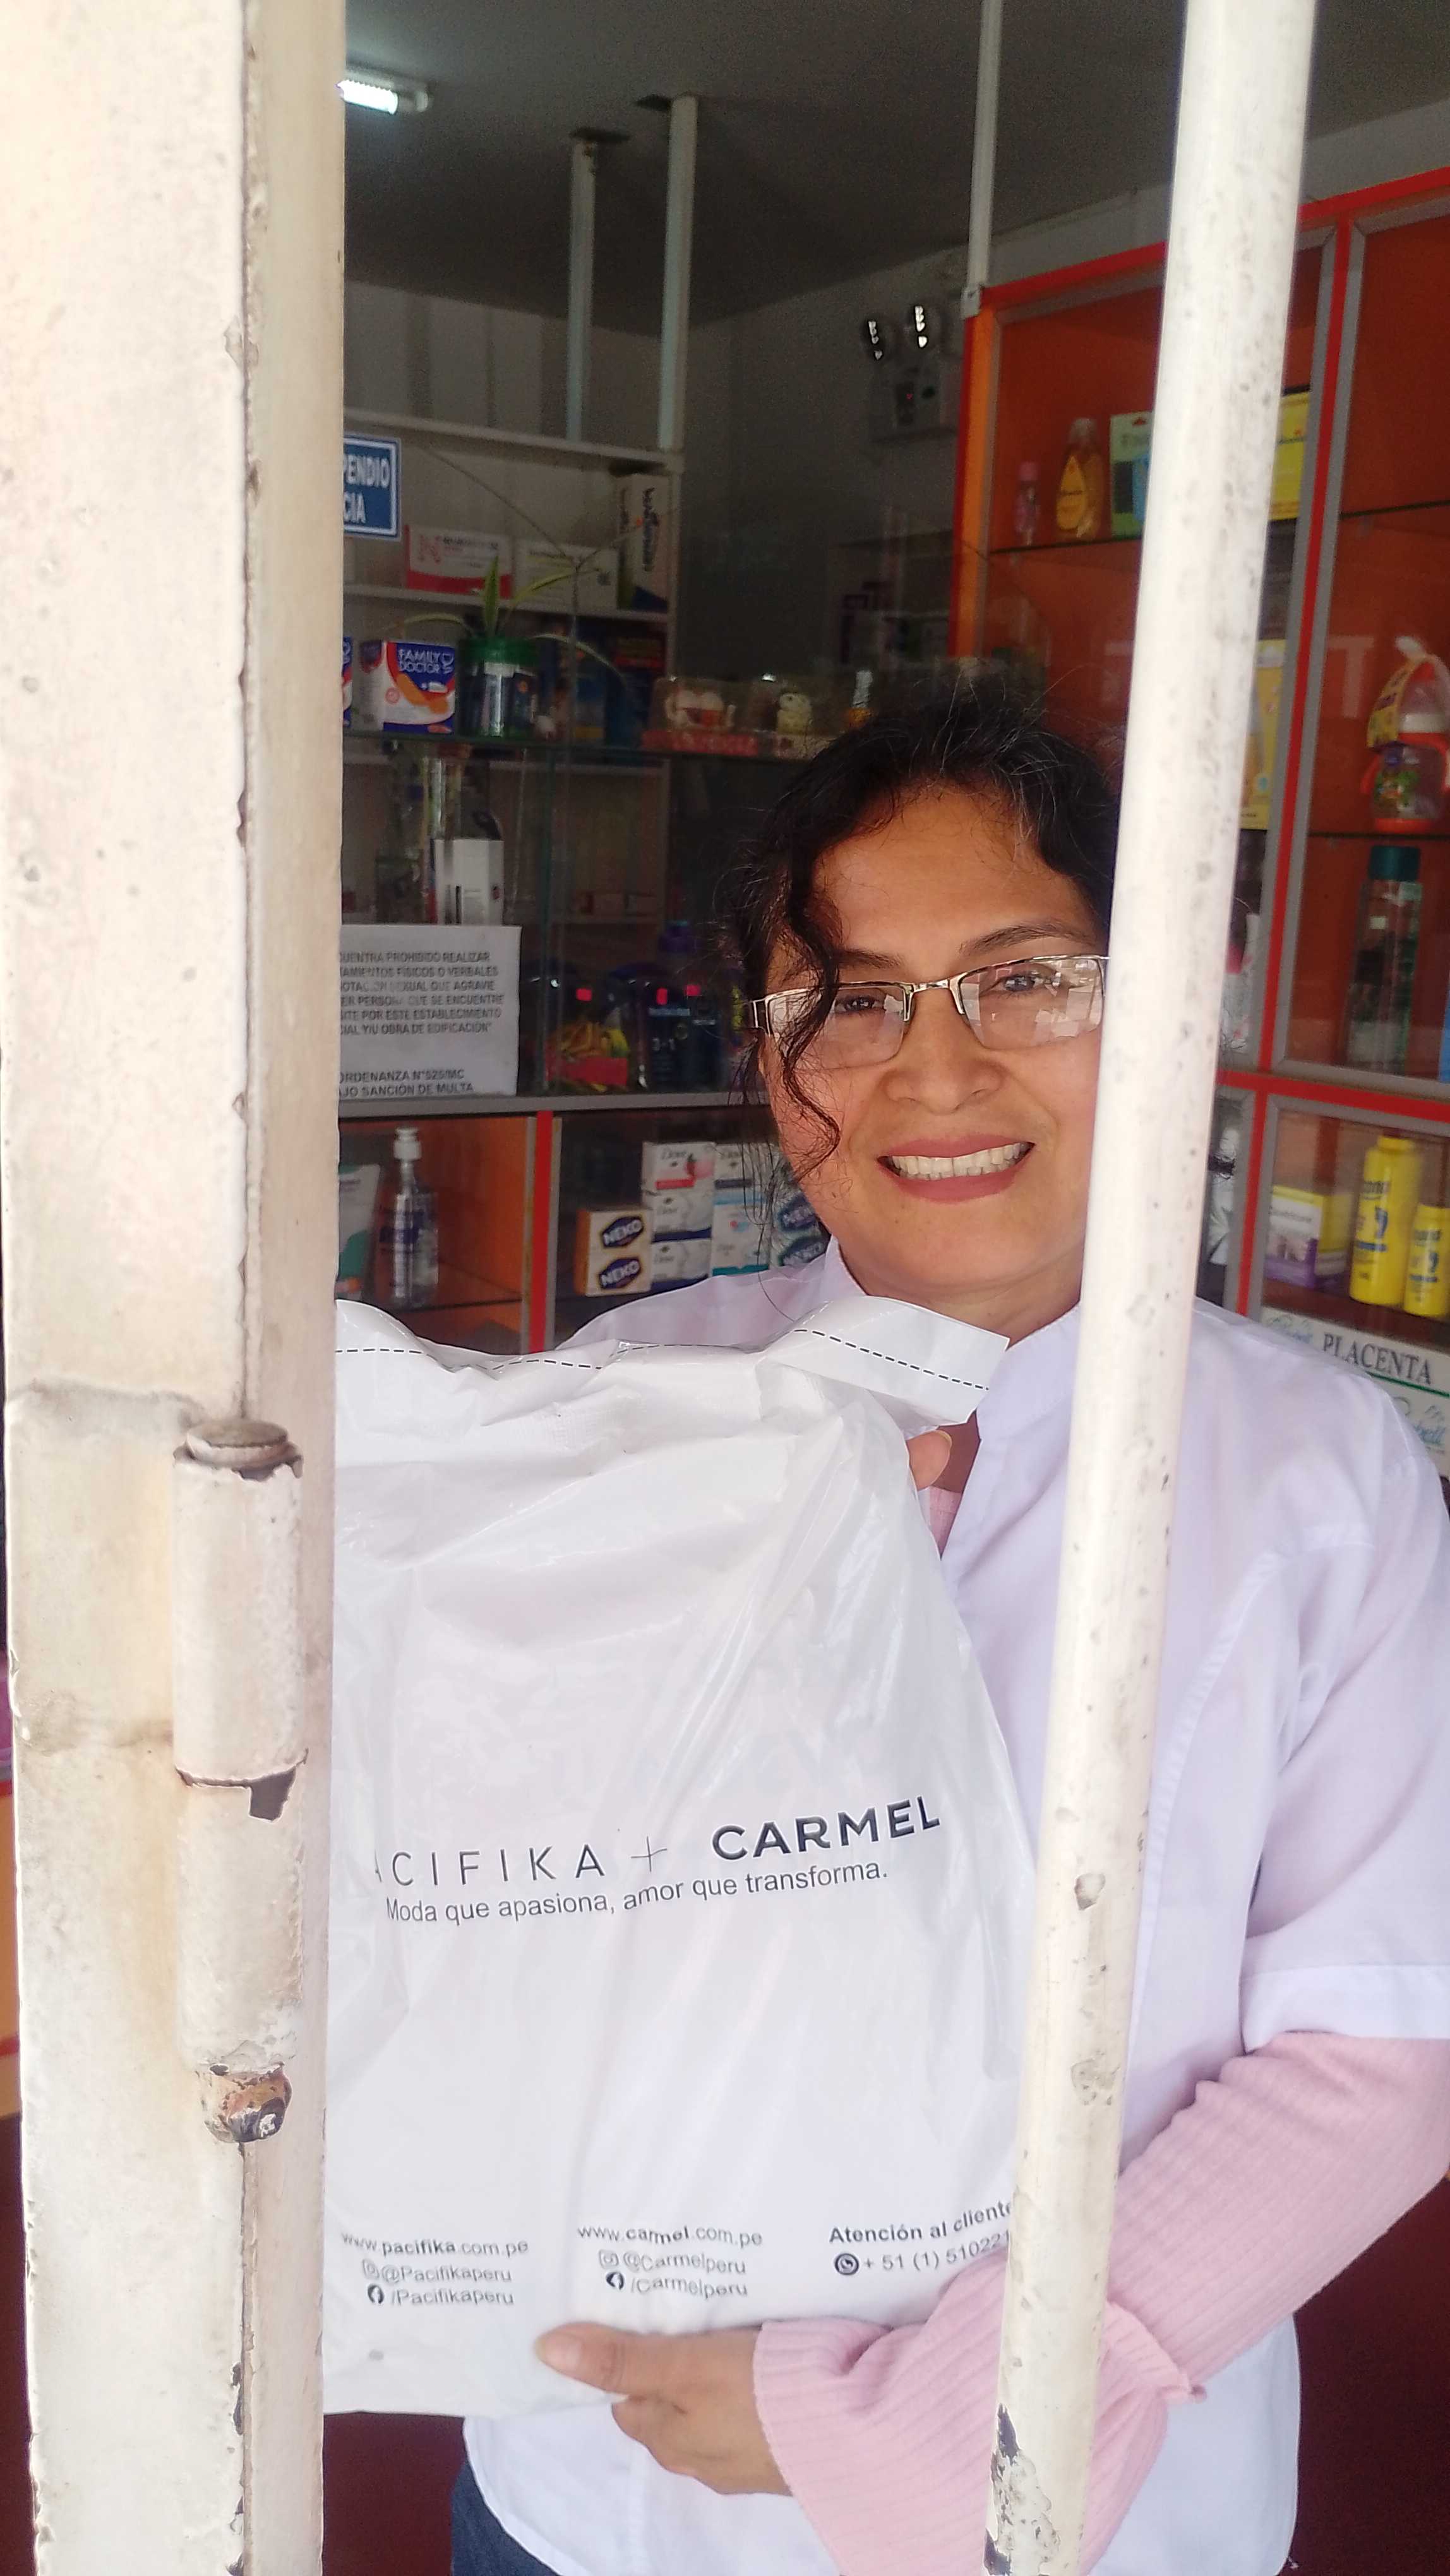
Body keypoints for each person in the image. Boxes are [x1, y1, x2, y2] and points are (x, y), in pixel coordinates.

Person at [452, 683, 1450, 2576]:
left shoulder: (1316, 1479)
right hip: (602, 2474)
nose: (936, 1068)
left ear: (1170, 1005)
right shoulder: (623, 1401)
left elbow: (1376, 2050)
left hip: (1092, 2504)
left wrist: (953, 2412)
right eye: (849, 999)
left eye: (1025, 980)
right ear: (773, 1066)